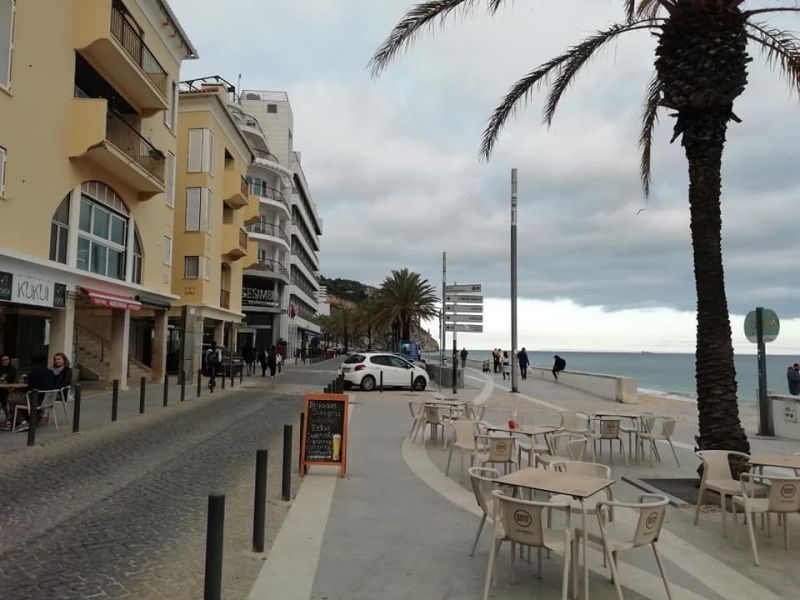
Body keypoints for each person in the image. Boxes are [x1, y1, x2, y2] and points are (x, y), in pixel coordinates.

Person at [6, 356, 57, 431]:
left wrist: (18, 389)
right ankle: (37, 416)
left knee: (11, 399)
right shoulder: (51, 372)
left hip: (35, 401)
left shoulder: (33, 373)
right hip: (48, 401)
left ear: (34, 364)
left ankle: (22, 422)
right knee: (18, 398)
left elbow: (30, 389)